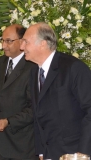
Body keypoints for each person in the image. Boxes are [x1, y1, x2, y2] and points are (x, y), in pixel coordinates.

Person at [20, 22, 91, 159]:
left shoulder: (73, 68)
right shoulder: (34, 71)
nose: (22, 47)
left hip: (74, 152)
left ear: (43, 43)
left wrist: (83, 153)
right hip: (48, 153)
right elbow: (38, 114)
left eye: (26, 42)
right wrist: (41, 151)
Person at [0, 24, 38, 160]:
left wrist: (9, 122)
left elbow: (34, 108)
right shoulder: (1, 62)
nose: (4, 46)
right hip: (1, 142)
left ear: (22, 42)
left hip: (23, 143)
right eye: (2, 40)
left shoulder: (33, 66)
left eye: (9, 41)